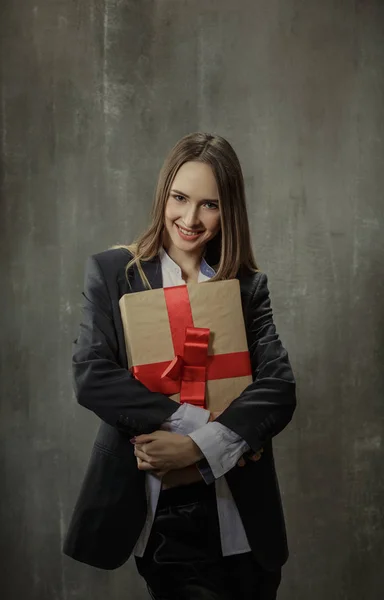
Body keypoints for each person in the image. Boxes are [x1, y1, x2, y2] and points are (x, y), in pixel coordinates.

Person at [63, 132, 297, 600]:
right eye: (180, 198)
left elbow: (277, 387)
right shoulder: (116, 273)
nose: (190, 219)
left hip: (242, 520)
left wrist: (197, 446)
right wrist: (195, 423)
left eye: (209, 205)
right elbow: (93, 376)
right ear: (163, 194)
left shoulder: (245, 286)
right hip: (162, 516)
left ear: (229, 210)